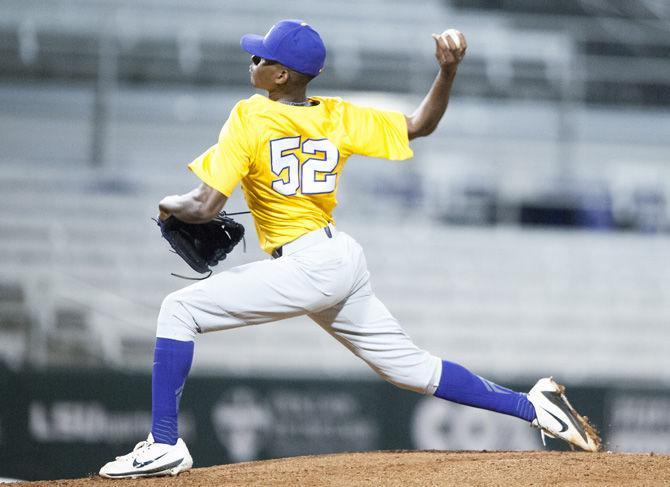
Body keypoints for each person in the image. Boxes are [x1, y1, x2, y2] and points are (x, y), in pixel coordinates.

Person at [99, 19, 600, 479]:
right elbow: (421, 123)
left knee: (178, 310)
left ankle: (163, 443)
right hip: (337, 257)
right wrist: (448, 72)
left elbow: (205, 205)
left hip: (309, 265)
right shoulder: (337, 116)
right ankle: (536, 407)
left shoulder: (249, 117)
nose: (252, 63)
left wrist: (167, 203)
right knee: (410, 369)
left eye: (261, 58)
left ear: (281, 75)